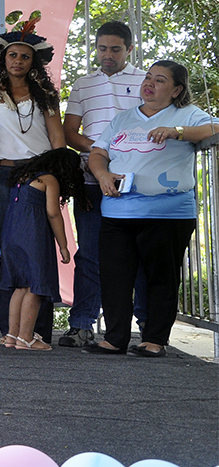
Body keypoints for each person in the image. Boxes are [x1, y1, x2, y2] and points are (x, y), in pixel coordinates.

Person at [84, 61, 217, 357]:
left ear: (177, 90)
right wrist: (102, 174)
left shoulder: (187, 114)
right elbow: (98, 152)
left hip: (167, 213)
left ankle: (155, 340)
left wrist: (177, 132)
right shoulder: (122, 118)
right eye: (148, 77)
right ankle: (114, 338)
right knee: (114, 277)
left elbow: (216, 127)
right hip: (118, 211)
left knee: (161, 277)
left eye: (159, 80)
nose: (150, 83)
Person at [0, 26, 64, 343]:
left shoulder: (47, 97)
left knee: (38, 248)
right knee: (11, 251)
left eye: (25, 57)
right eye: (13, 55)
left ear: (34, 62)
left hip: (38, 176)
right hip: (1, 177)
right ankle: (10, 330)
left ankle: (37, 330)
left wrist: (57, 178)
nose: (18, 60)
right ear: (3, 58)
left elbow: (57, 141)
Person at [60, 21, 147, 348]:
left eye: (115, 49)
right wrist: (98, 152)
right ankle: (82, 325)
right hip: (90, 180)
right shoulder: (83, 84)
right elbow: (69, 132)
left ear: (129, 49)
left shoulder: (145, 81)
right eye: (101, 48)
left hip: (134, 182)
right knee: (91, 254)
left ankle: (148, 329)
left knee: (138, 254)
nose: (107, 55)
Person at [0, 148, 88, 351]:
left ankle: (12, 335)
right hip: (34, 236)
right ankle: (26, 337)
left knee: (20, 286)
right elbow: (53, 213)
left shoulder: (22, 176)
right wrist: (64, 245)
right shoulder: (49, 180)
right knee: (36, 286)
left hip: (12, 235)